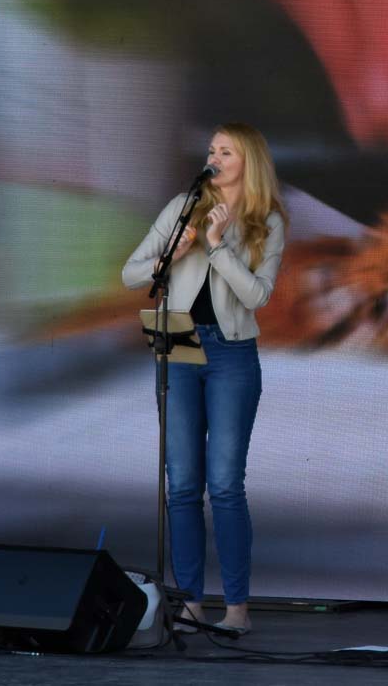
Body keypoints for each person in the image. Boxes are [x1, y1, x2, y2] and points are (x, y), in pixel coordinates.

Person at [122, 123, 287, 634]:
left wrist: (216, 246)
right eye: (212, 149)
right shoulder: (183, 207)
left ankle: (237, 608)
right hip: (177, 348)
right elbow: (131, 273)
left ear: (248, 161)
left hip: (232, 354)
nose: (213, 157)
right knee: (182, 485)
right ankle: (189, 601)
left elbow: (257, 296)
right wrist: (172, 254)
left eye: (225, 151)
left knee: (225, 485)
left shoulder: (266, 221)